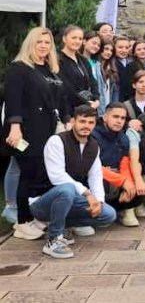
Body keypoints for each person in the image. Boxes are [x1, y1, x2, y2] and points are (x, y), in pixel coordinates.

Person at [3, 27, 70, 240]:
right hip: (24, 133)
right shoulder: (19, 68)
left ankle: (32, 217)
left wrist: (67, 121)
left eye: (47, 42)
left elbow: (61, 99)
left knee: (40, 174)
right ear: (30, 43)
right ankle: (22, 222)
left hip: (45, 132)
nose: (43, 46)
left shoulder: (50, 70)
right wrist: (15, 127)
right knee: (27, 173)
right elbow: (13, 100)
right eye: (39, 42)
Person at [29, 105, 116, 258]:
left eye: (91, 122)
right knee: (67, 188)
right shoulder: (57, 141)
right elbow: (57, 177)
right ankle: (53, 240)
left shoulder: (93, 145)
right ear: (73, 122)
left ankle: (63, 226)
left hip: (70, 198)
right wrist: (88, 194)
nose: (86, 126)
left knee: (108, 214)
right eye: (82, 121)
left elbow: (95, 175)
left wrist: (98, 201)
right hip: (41, 201)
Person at [91, 102, 143, 227]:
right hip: (97, 178)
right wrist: (122, 181)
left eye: (122, 118)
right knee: (102, 182)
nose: (119, 121)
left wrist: (128, 184)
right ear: (105, 117)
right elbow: (92, 166)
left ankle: (116, 211)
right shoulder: (93, 136)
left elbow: (124, 163)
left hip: (115, 177)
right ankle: (96, 215)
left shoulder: (124, 138)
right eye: (115, 117)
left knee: (138, 189)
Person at [58, 25, 100, 114]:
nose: (77, 41)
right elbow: (66, 87)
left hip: (88, 107)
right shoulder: (58, 60)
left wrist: (96, 99)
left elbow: (92, 81)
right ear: (64, 39)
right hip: (68, 109)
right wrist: (86, 103)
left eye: (80, 39)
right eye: (74, 38)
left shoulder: (83, 60)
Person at [94, 39, 119, 117]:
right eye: (106, 49)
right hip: (97, 108)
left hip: (108, 107)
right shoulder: (95, 66)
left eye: (111, 50)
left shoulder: (111, 68)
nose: (109, 52)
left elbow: (114, 92)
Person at [113, 36, 131, 101]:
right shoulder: (112, 63)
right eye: (120, 47)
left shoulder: (131, 63)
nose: (124, 50)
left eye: (127, 48)